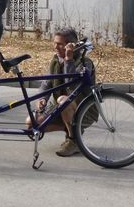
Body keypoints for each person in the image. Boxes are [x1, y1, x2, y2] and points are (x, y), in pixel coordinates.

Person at [25, 28, 95, 157]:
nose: (55, 47)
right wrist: (42, 99)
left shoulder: (85, 63)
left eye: (60, 44)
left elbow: (72, 86)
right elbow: (46, 83)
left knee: (63, 100)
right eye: (54, 43)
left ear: (70, 45)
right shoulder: (56, 60)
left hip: (83, 108)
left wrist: (69, 59)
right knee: (31, 124)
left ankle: (74, 141)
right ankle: (74, 131)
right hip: (60, 106)